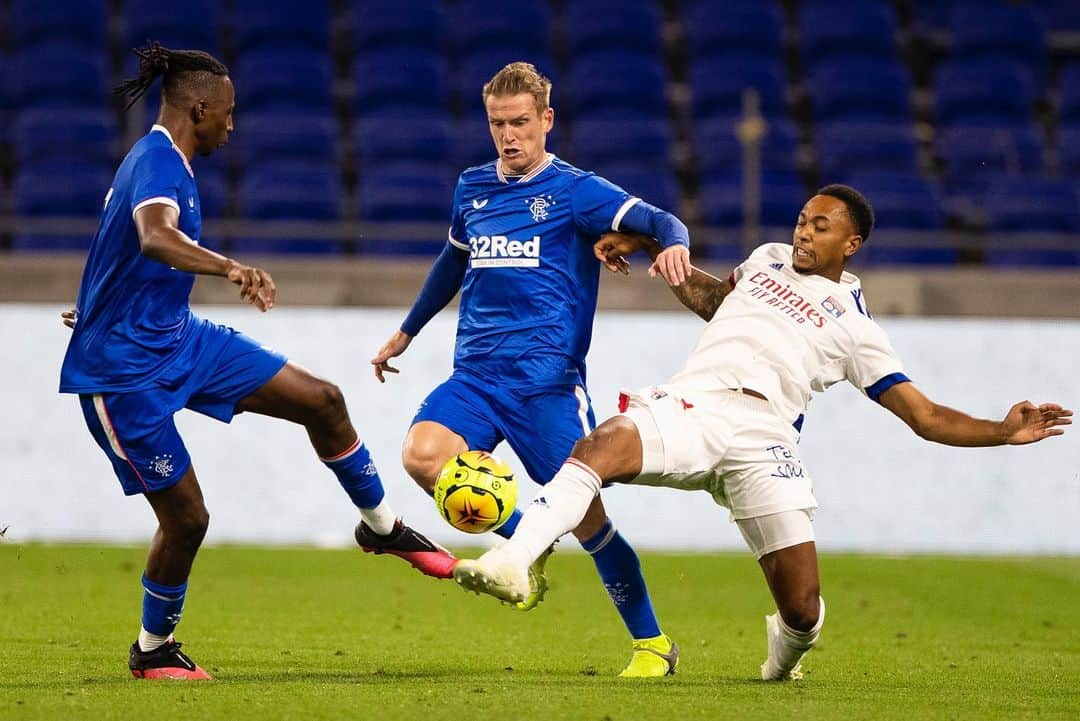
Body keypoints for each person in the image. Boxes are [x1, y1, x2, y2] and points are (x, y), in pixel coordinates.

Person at [452, 184, 1073, 679]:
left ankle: (782, 658)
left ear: (850, 244)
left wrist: (1000, 429)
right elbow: (718, 303)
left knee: (802, 609)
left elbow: (925, 416)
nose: (802, 231)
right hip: (695, 402)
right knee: (601, 443)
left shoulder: (857, 329)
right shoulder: (765, 261)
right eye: (802, 219)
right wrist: (653, 251)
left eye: (819, 226)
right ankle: (512, 558)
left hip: (765, 437)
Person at [59, 42, 456, 681]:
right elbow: (154, 237)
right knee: (188, 519)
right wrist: (230, 267)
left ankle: (382, 528)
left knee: (322, 400)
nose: (232, 124)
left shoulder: (167, 162)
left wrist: (98, 304)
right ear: (198, 108)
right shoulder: (159, 162)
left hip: (179, 339)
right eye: (226, 112)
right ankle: (153, 650)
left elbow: (116, 252)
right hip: (122, 374)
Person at [370, 62, 692, 677]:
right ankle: (527, 541)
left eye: (520, 122)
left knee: (592, 525)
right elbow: (451, 263)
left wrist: (673, 243)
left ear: (547, 120)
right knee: (422, 457)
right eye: (498, 124)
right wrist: (406, 332)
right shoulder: (472, 187)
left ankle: (653, 645)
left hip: (547, 387)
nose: (509, 136)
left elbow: (657, 220)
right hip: (476, 378)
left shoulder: (576, 191)